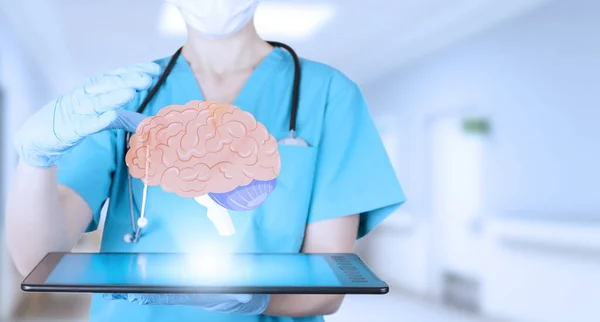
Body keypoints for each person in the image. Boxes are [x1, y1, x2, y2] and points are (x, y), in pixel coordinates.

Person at [5, 0, 405, 321]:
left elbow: (327, 286)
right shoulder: (124, 94)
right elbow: (40, 261)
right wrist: (34, 160)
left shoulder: (329, 94)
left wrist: (254, 302)